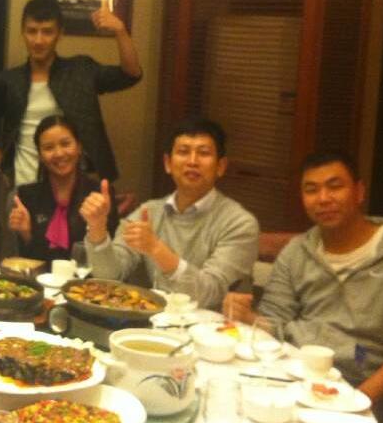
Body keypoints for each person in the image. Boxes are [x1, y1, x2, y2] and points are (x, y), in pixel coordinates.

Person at [224, 151, 383, 404]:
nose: (323, 198)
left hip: (362, 385)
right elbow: (276, 320)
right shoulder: (297, 252)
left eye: (335, 187)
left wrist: (359, 399)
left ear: (359, 192)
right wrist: (249, 317)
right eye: (311, 190)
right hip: (295, 374)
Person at [83, 117, 259, 310]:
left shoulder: (240, 224)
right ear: (168, 163)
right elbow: (109, 277)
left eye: (203, 153)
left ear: (221, 166)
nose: (192, 161)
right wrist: (97, 228)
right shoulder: (148, 212)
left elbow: (209, 294)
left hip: (209, 327)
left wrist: (157, 249)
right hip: (152, 320)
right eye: (183, 152)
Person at [0, 0, 142, 188]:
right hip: (24, 183)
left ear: (60, 34)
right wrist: (2, 165)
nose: (38, 40)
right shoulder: (9, 81)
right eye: (32, 31)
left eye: (47, 32)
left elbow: (130, 75)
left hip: (80, 185)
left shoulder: (81, 70)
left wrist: (120, 31)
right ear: (23, 32)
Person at [9, 115, 117, 263]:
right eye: (49, 148)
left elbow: (110, 261)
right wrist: (26, 233)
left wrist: (99, 223)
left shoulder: (100, 194)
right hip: (41, 277)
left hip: (88, 277)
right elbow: (28, 262)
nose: (59, 153)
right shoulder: (26, 196)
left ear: (79, 147)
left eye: (66, 144)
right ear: (40, 155)